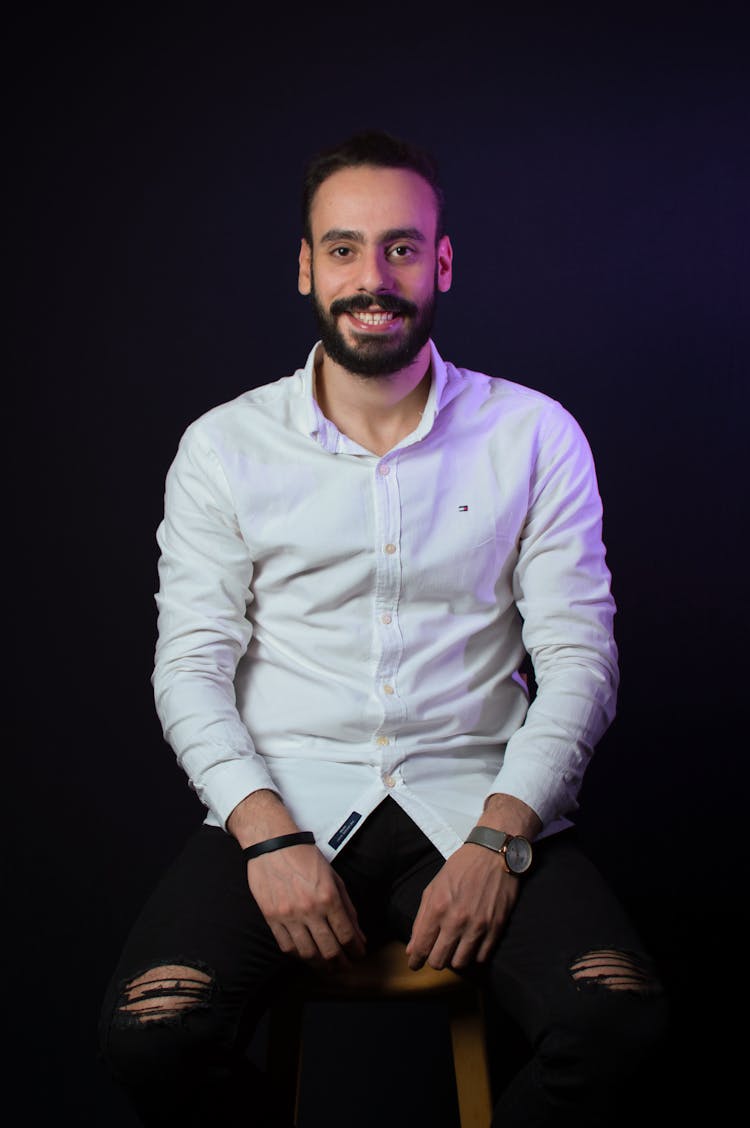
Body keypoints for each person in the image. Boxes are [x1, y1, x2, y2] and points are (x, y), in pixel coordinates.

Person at [99, 128, 668, 1127]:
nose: (376, 276)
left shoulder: (535, 435)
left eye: (403, 247)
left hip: (479, 801)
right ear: (307, 266)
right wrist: (265, 836)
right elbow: (190, 666)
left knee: (617, 1025)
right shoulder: (225, 447)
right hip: (285, 803)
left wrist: (501, 838)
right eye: (347, 248)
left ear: (442, 262)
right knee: (156, 1036)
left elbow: (581, 657)